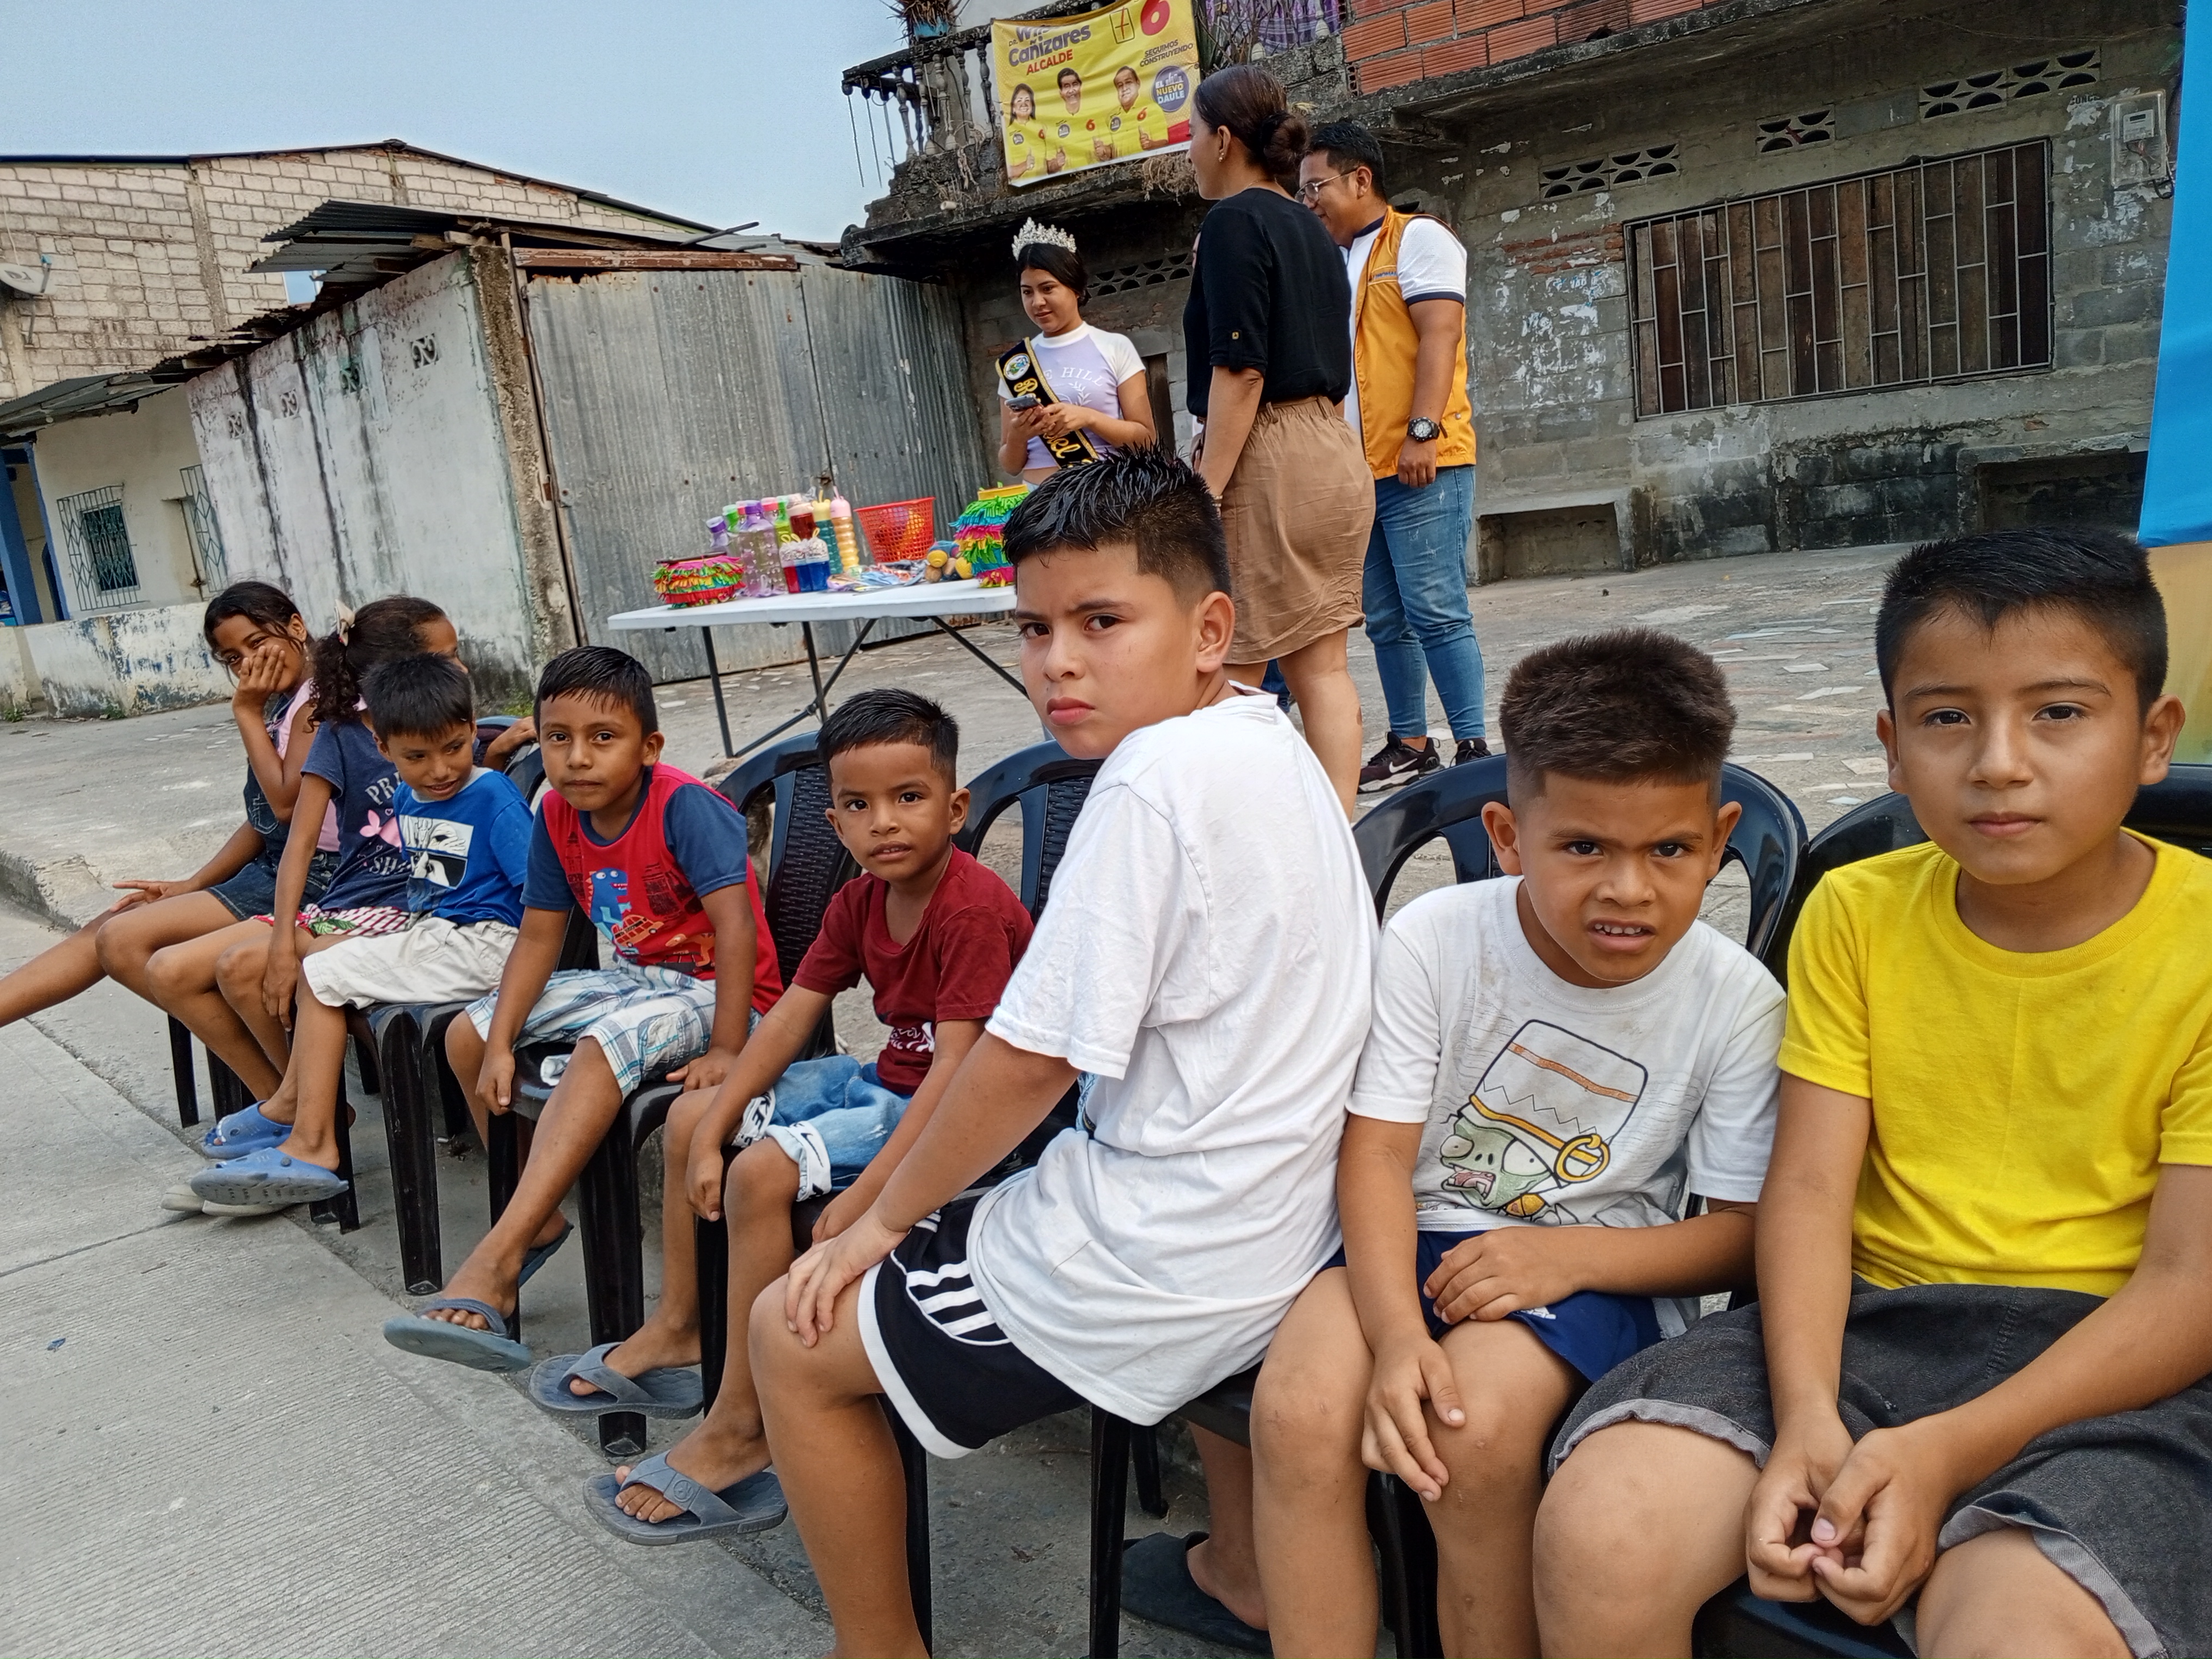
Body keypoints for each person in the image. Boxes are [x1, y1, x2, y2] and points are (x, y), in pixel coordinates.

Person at [1536, 529, 2212, 1659]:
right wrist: (1806, 1414)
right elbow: (1807, 1189)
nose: (1998, 762)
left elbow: (2188, 1287)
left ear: (2151, 736)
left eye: (2057, 712)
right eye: (1947, 717)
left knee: (2020, 1635)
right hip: (1859, 1328)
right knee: (1603, 1531)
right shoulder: (1856, 911)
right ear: (1892, 749)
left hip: (2118, 1373)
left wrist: (1946, 1449)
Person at [747, 448, 1375, 1656]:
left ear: (1209, 629)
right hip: (1286, 1209)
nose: (1058, 663)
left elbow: (1025, 1063)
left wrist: (877, 1222)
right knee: (989, 1185)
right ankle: (1239, 1569)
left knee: (791, 1330)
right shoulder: (1267, 735)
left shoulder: (1146, 785)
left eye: (1101, 621)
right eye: (1033, 628)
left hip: (1178, 1251)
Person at [1242, 630, 1781, 1659]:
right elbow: (1376, 1157)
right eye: (1583, 848)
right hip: (1406, 1237)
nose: (1627, 889)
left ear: (1718, 841)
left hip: (1598, 1268)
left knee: (1472, 1431)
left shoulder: (1735, 1002)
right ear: (1507, 834)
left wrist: (1563, 1256)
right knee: (1299, 1409)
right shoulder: (1436, 937)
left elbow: (1743, 1233)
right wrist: (1396, 1338)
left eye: (1668, 851)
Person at [576, 689, 1034, 1543]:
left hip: (963, 1116)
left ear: (955, 807)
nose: (883, 823)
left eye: (909, 797)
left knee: (760, 1172)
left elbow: (958, 1075)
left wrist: (874, 1200)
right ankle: (682, 1330)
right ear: (836, 821)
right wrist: (712, 1126)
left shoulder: (969, 908)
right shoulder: (860, 901)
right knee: (693, 1114)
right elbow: (791, 1015)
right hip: (887, 1080)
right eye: (859, 806)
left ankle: (743, 1425)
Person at [382, 644, 781, 1371]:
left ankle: (498, 1257)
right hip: (635, 981)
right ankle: (536, 1220)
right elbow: (539, 935)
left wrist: (728, 1048)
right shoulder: (557, 815)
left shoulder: (683, 806)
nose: (577, 758)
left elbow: (737, 930)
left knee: (603, 1044)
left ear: (648, 747)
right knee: (467, 1035)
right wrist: (500, 1041)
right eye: (558, 738)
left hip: (724, 997)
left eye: (603, 738)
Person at [188, 653, 533, 1206]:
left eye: (453, 749)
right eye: (417, 757)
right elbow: (431, 891)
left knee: (322, 972)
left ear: (472, 730)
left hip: (492, 944)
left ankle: (311, 1140)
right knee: (323, 964)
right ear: (384, 749)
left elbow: (541, 896)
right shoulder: (407, 797)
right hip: (437, 933)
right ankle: (303, 1123)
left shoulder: (492, 796)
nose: (440, 770)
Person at [144, 596, 455, 1119]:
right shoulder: (337, 728)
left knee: (240, 965)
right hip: (341, 898)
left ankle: (305, 1114)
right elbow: (291, 832)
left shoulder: (449, 740)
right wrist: (283, 941)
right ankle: (303, 1110)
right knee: (169, 965)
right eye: (447, 658)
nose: (460, 670)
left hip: (394, 908)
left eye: (257, 644)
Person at [0, 581, 339, 1043]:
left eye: (258, 643)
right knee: (113, 925)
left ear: (296, 627)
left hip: (318, 878)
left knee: (122, 940)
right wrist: (194, 883)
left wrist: (245, 712)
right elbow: (263, 820)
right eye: (233, 658)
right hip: (277, 867)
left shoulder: (316, 702)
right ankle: (278, 1082)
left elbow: (284, 806)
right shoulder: (284, 700)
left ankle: (284, 1084)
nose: (249, 663)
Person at [1184, 64, 1374, 812]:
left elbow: (1241, 371)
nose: (1189, 152)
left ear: (1222, 140)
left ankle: (1246, 838)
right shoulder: (1313, 228)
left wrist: (1205, 491)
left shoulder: (1232, 222)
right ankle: (1337, 840)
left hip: (1266, 454)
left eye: (1193, 134)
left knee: (1231, 671)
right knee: (1322, 670)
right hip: (1332, 445)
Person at [1297, 122, 1491, 792]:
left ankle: (1472, 747)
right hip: (1358, 472)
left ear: (1360, 179)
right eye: (1302, 192)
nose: (1309, 202)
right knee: (1385, 619)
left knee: (1436, 609)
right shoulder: (1334, 260)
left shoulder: (1417, 239)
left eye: (1316, 187)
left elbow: (1440, 334)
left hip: (1421, 461)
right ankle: (1410, 743)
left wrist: (1421, 431)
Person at [995, 222, 1157, 486]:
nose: (1037, 302)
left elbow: (1147, 440)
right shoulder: (1016, 364)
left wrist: (1089, 418)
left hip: (1102, 496)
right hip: (1040, 500)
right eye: (1027, 292)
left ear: (1076, 288)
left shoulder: (1114, 347)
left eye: (1048, 288)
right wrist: (1019, 435)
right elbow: (1010, 465)